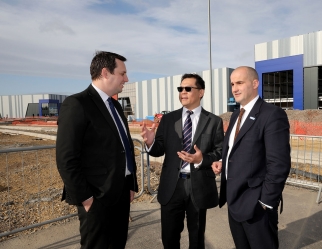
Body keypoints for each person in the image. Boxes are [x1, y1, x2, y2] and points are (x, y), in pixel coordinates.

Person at [56, 51, 138, 249]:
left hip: (121, 193)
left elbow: (123, 147)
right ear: (105, 73)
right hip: (96, 198)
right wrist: (85, 198)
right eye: (122, 73)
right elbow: (66, 158)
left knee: (118, 244)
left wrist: (131, 184)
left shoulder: (116, 107)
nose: (126, 79)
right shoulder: (77, 104)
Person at [141, 73, 224, 249]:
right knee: (169, 237)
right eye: (180, 89)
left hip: (199, 184)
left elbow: (219, 150)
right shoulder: (169, 119)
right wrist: (150, 142)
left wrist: (202, 159)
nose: (183, 92)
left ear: (201, 92)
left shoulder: (214, 121)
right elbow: (159, 149)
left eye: (188, 88)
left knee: (196, 237)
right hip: (172, 185)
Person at [212, 66, 291, 249]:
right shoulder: (235, 116)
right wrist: (222, 163)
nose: (234, 88)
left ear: (255, 83)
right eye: (232, 84)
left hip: (256, 206)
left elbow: (279, 164)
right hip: (234, 201)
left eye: (240, 82)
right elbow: (236, 149)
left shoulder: (272, 114)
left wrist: (264, 203)